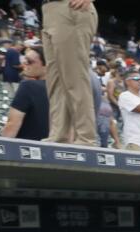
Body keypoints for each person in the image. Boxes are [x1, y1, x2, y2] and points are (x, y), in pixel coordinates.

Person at [41, 0, 98, 145]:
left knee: (75, 78)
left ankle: (86, 137)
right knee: (56, 81)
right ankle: (59, 135)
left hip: (70, 8)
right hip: (49, 10)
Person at [1, 45, 48, 140]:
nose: (24, 63)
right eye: (24, 59)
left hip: (24, 149)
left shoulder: (28, 86)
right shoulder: (62, 89)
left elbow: (11, 127)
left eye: (30, 62)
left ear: (46, 66)